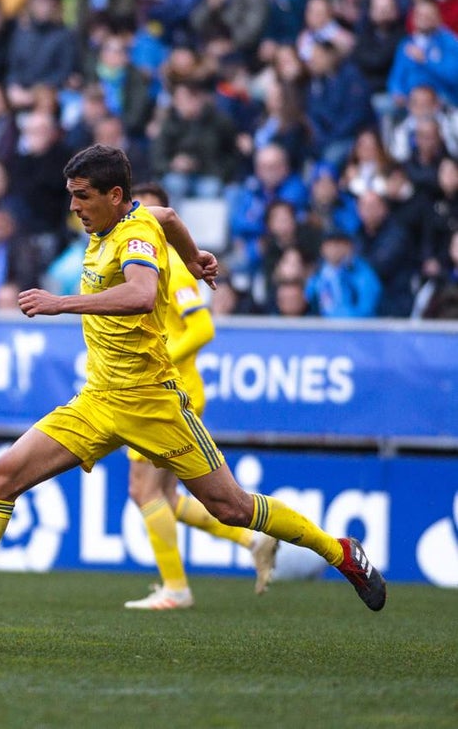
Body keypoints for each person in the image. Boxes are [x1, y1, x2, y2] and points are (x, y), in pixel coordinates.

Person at [0, 145, 386, 617]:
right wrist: (191, 256)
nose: (74, 206)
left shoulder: (133, 236)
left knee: (229, 506)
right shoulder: (136, 217)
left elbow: (142, 294)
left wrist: (62, 303)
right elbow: (167, 215)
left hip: (153, 403)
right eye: (71, 195)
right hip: (98, 399)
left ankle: (339, 553)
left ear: (114, 196)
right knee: (0, 476)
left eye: (83, 196)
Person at [123, 183, 278, 610]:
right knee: (166, 497)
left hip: (167, 390)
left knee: (144, 490)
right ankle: (250, 538)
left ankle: (176, 588)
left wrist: (155, 359)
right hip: (160, 389)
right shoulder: (143, 258)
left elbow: (202, 327)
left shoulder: (169, 260)